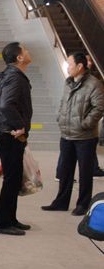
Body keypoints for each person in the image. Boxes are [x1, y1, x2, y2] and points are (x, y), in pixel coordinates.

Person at [42, 52, 104, 216]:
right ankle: (61, 202)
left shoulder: (94, 84)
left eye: (70, 64)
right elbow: (63, 102)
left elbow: (99, 107)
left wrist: (86, 124)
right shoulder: (68, 82)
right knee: (65, 170)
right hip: (66, 134)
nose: (67, 67)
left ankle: (83, 204)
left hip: (85, 137)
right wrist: (60, 117)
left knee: (85, 172)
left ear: (80, 66)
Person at [0, 42, 34, 236]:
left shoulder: (12, 75)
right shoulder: (15, 77)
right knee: (11, 180)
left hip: (8, 135)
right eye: (25, 50)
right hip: (9, 135)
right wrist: (20, 126)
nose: (28, 52)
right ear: (19, 57)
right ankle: (2, 223)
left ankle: (10, 219)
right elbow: (6, 105)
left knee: (14, 179)